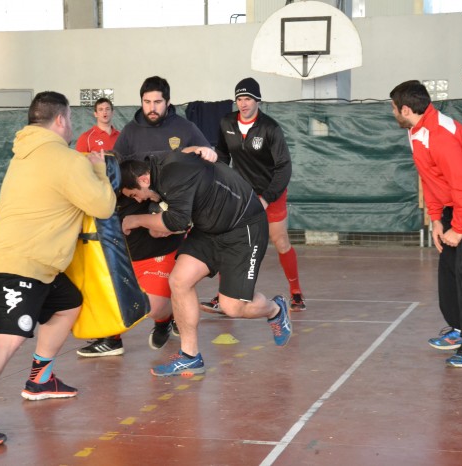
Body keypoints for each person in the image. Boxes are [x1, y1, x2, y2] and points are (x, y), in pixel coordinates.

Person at [0, 91, 116, 447]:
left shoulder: (25, 155)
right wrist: (99, 169)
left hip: (35, 265)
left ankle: (40, 378)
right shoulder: (66, 160)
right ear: (61, 120)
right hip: (16, 265)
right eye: (69, 119)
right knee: (9, 336)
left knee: (68, 303)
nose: (71, 126)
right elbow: (102, 206)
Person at [119, 147, 292, 376]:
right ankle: (190, 356)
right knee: (179, 281)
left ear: (144, 179)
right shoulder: (159, 165)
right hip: (210, 230)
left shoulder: (172, 174)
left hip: (244, 228)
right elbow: (186, 154)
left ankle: (275, 309)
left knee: (232, 306)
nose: (138, 199)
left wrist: (135, 220)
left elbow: (177, 222)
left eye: (134, 194)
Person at [76, 76, 215, 357]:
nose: (152, 107)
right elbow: (117, 170)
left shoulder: (184, 128)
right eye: (147, 102)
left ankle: (166, 318)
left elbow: (209, 157)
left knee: (158, 297)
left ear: (167, 102)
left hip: (171, 218)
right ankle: (112, 337)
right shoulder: (130, 132)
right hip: (135, 216)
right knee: (115, 275)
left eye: (157, 102)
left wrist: (208, 152)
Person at [389, 80, 462, 367]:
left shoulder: (439, 134)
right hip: (459, 204)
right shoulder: (417, 131)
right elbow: (429, 176)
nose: (392, 113)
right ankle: (457, 329)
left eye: (393, 108)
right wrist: (436, 220)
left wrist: (458, 227)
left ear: (406, 109)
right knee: (449, 266)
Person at [201, 77, 306, 313]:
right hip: (242, 193)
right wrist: (217, 178)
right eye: (239, 98)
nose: (243, 103)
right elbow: (223, 155)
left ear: (257, 100)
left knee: (280, 240)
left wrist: (267, 197)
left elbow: (284, 167)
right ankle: (222, 296)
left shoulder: (270, 127)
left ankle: (296, 293)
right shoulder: (227, 122)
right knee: (230, 242)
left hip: (272, 192)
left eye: (247, 98)